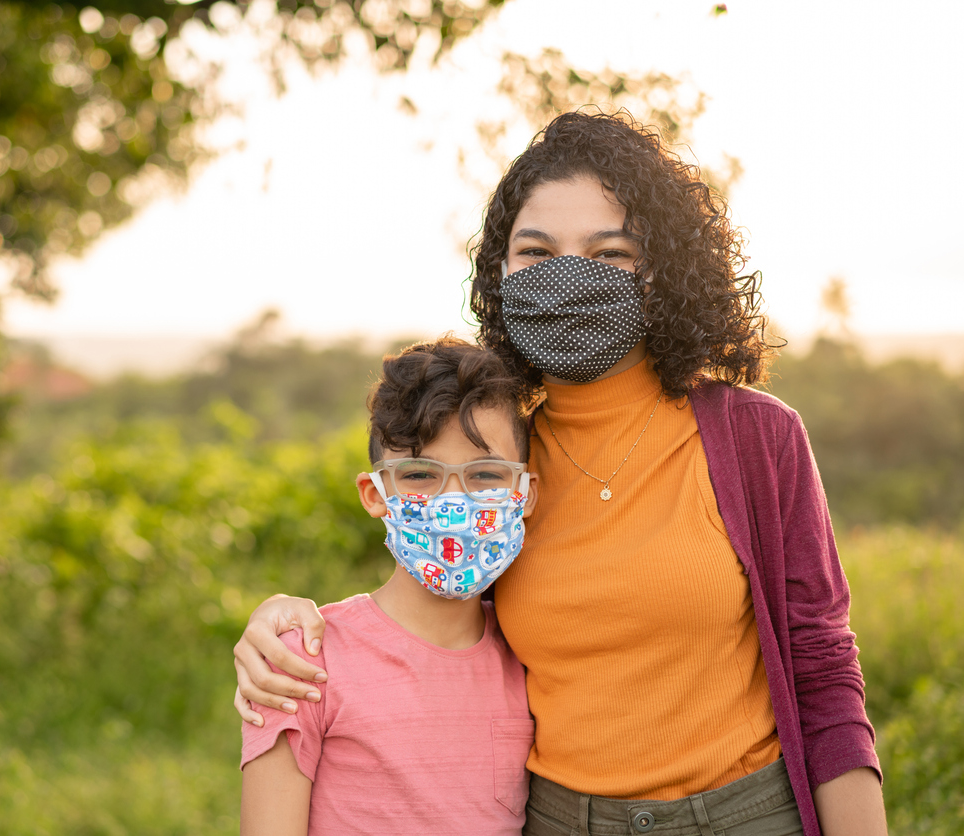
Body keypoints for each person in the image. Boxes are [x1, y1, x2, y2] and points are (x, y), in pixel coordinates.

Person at [233, 111, 887, 836]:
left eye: (606, 255)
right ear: (501, 272)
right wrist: (282, 616)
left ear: (660, 270)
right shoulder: (497, 470)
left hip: (746, 815)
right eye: (536, 252)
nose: (567, 278)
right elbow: (432, 610)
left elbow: (823, 669)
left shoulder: (754, 438)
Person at [240, 337, 541, 835]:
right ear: (374, 494)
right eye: (421, 474)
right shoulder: (300, 662)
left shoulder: (533, 658)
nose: (453, 501)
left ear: (526, 494)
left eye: (485, 474)